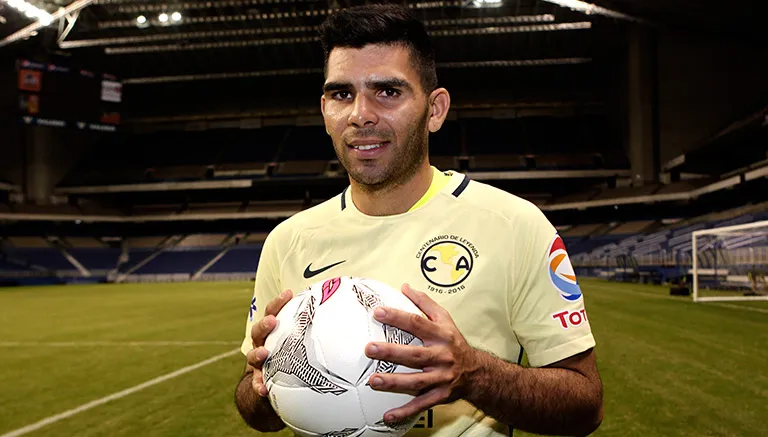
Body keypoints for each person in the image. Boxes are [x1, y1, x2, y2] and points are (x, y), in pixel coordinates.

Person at [235, 4, 603, 436]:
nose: (360, 114)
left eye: (387, 91)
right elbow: (253, 408)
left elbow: (584, 405)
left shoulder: (515, 225)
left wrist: (473, 374)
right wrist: (265, 382)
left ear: (435, 109)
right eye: (341, 94)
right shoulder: (288, 240)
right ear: (324, 111)